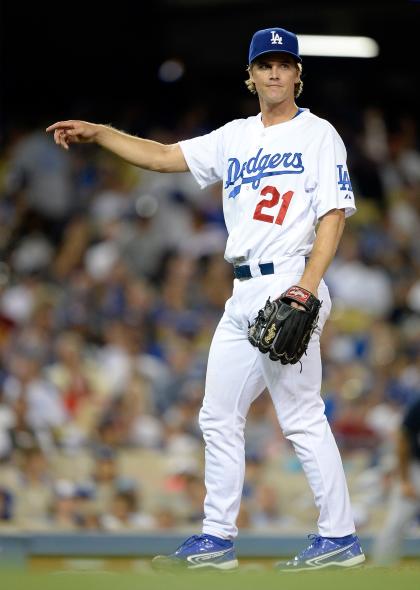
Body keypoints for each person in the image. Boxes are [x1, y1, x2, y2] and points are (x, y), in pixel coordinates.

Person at [47, 26, 365, 571]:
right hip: (242, 289)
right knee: (217, 416)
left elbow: (332, 214)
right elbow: (164, 156)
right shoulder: (234, 136)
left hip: (290, 277)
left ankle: (339, 537)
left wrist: (306, 287)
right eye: (264, 64)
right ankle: (216, 539)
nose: (273, 72)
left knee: (301, 415)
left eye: (283, 64)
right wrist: (101, 133)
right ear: (251, 75)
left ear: (296, 75)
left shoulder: (319, 135)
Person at [372, 398, 420, 565]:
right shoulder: (417, 405)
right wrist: (405, 480)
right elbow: (403, 439)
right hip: (415, 469)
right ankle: (382, 569)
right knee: (396, 523)